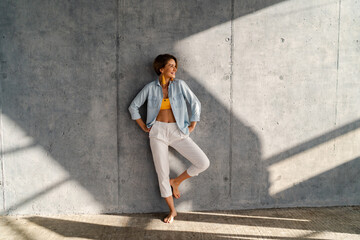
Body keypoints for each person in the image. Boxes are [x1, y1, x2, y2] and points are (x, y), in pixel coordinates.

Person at [128, 54, 210, 224]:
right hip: (157, 132)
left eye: (175, 66)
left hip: (177, 130)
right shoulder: (150, 88)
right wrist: (143, 126)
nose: (174, 69)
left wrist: (193, 124)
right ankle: (173, 211)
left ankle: (176, 181)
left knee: (203, 162)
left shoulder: (180, 85)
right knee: (162, 173)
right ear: (161, 69)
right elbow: (133, 106)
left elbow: (195, 103)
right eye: (171, 66)